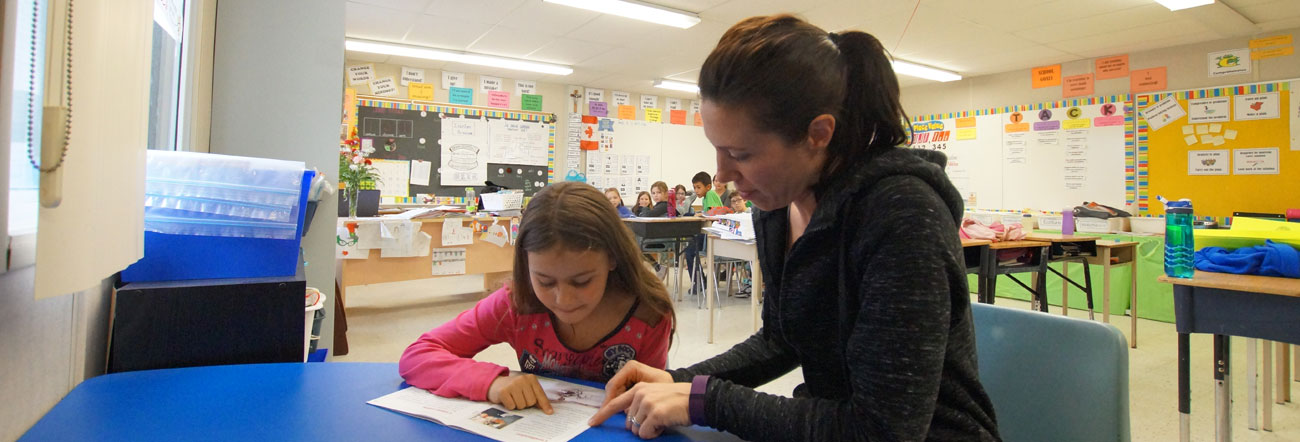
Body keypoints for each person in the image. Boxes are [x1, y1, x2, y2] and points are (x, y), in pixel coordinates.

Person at [589, 15, 1000, 441]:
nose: (723, 174)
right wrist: (679, 381)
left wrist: (705, 400)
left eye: (741, 153)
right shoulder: (778, 203)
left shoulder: (903, 216)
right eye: (716, 149)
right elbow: (780, 340)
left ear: (818, 134)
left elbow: (882, 431)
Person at [400, 182, 675, 414]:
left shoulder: (647, 315)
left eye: (581, 281)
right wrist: (492, 382)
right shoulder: (516, 303)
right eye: (545, 281)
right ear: (525, 265)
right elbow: (418, 355)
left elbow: (649, 402)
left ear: (612, 258)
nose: (563, 299)